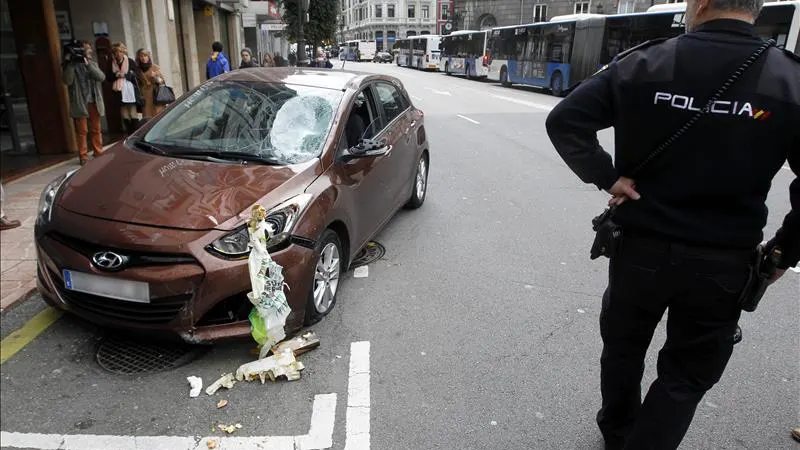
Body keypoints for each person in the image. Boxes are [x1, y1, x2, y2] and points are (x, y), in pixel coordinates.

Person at [544, 0, 800, 447]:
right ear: (754, 10)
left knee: (623, 349)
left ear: (699, 4)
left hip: (638, 248)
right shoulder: (790, 79)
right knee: (685, 376)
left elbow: (565, 120)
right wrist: (783, 251)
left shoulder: (646, 62)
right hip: (724, 262)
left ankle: (618, 431)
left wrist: (608, 176)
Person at [62, 40, 106, 165]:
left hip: (94, 101)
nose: (89, 51)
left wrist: (88, 65)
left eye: (89, 48)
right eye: (86, 49)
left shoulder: (92, 63)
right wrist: (70, 64)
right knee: (82, 131)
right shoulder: (70, 65)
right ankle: (83, 156)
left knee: (96, 129)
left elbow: (101, 77)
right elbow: (67, 81)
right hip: (80, 102)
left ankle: (98, 152)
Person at [109, 42, 143, 135]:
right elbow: (108, 77)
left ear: (124, 52)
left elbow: (136, 75)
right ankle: (129, 133)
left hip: (130, 91)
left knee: (133, 113)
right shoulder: (111, 63)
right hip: (119, 92)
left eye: (120, 51)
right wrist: (116, 75)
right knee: (125, 115)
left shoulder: (130, 61)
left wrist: (125, 75)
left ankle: (136, 134)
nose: (118, 54)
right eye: (116, 52)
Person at [135, 48, 166, 122]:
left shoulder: (154, 67)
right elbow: (137, 83)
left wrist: (155, 77)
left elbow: (162, 82)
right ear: (138, 58)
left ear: (148, 57)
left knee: (158, 115)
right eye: (141, 56)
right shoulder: (137, 69)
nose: (143, 58)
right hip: (145, 95)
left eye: (145, 55)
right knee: (147, 117)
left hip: (155, 95)